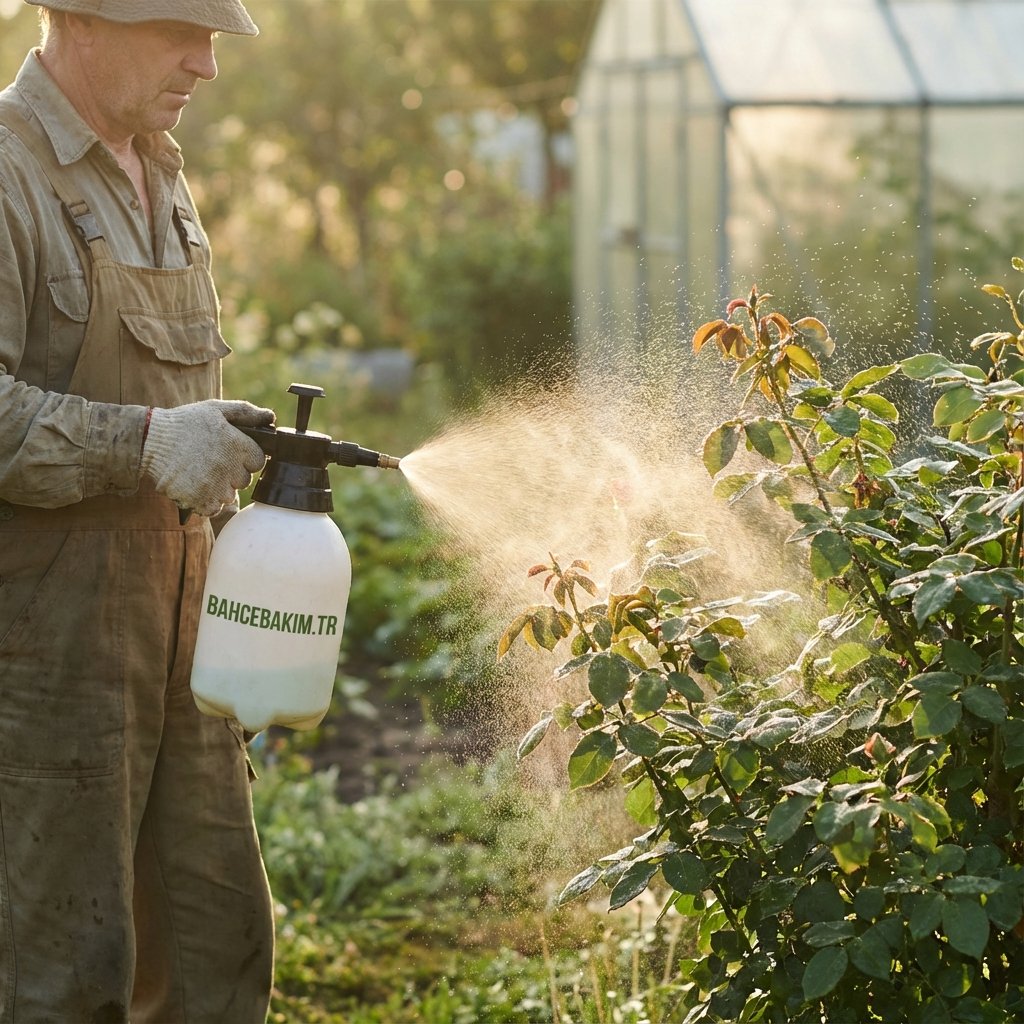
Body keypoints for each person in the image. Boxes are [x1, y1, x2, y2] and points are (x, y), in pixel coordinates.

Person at [0, 1, 278, 1019]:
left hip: (184, 632)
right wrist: (151, 443)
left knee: (219, 947)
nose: (205, 64)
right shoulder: (6, 171)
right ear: (78, 17)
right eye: (179, 32)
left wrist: (221, 448)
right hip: (45, 651)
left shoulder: (161, 171)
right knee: (63, 972)